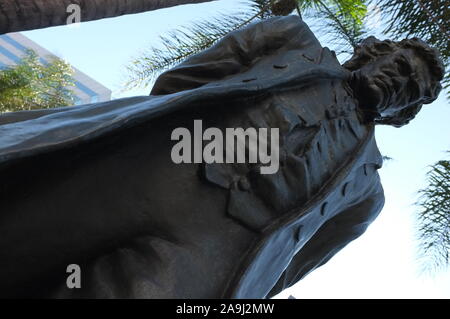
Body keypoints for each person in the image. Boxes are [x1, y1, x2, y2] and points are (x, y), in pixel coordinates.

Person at [0, 16, 444, 298]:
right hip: (149, 171)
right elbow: (182, 82)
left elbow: (288, 271)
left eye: (412, 92)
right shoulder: (290, 38)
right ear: (374, 52)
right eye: (401, 65)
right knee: (23, 232)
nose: (398, 81)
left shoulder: (366, 196)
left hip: (197, 258)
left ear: (403, 112)